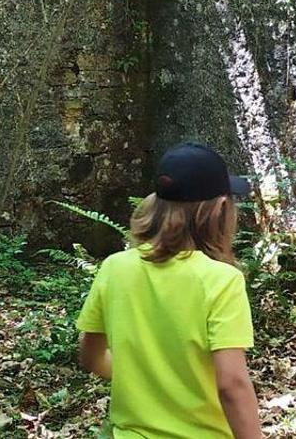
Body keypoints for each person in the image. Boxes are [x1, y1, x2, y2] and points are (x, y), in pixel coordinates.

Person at [76, 142, 264, 438]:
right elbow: (232, 385)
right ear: (219, 209)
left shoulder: (114, 268)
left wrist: (148, 382)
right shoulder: (222, 280)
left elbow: (91, 357)